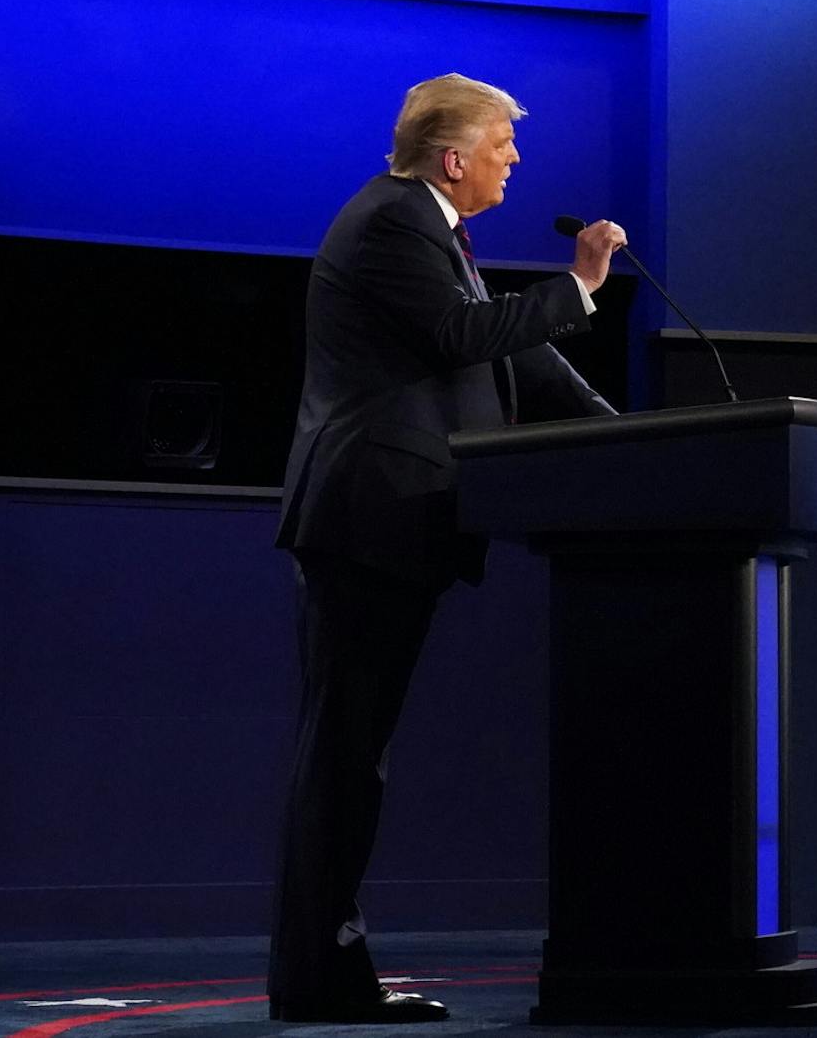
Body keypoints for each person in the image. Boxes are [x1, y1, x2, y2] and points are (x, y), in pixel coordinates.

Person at [268, 73, 625, 1023]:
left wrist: (628, 435)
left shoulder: (436, 233)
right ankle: (321, 978)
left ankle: (328, 973)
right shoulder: (393, 222)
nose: (517, 157)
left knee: (355, 753)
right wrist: (581, 286)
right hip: (367, 519)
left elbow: (513, 356)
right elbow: (467, 333)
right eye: (504, 143)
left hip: (394, 524)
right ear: (453, 157)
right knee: (345, 755)